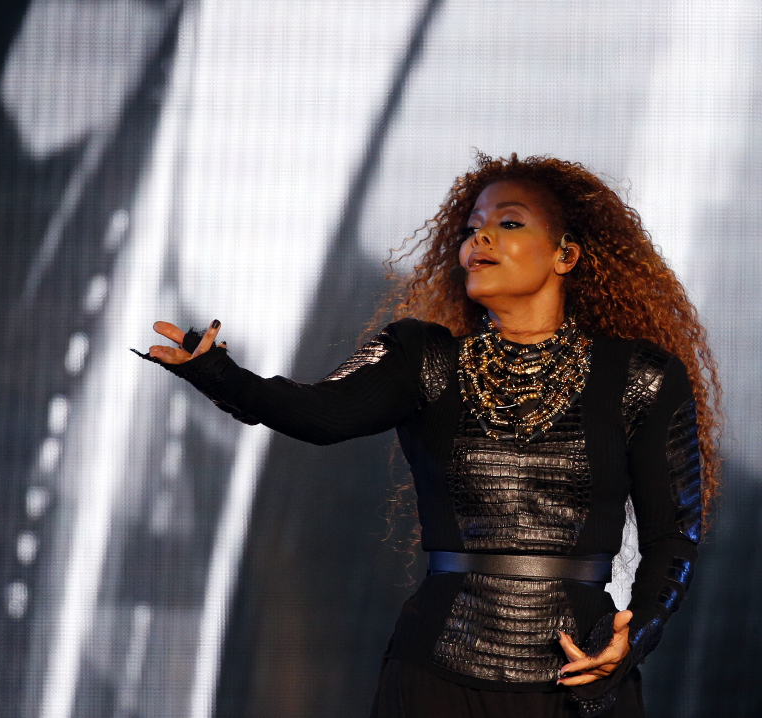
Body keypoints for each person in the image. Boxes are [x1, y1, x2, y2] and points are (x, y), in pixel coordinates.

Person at [138, 154, 721, 717]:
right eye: (472, 230)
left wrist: (633, 637)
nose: (480, 240)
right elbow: (320, 414)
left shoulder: (640, 375)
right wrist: (219, 374)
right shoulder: (424, 358)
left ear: (565, 254)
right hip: (437, 674)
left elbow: (674, 538)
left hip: (578, 676)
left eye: (508, 223)